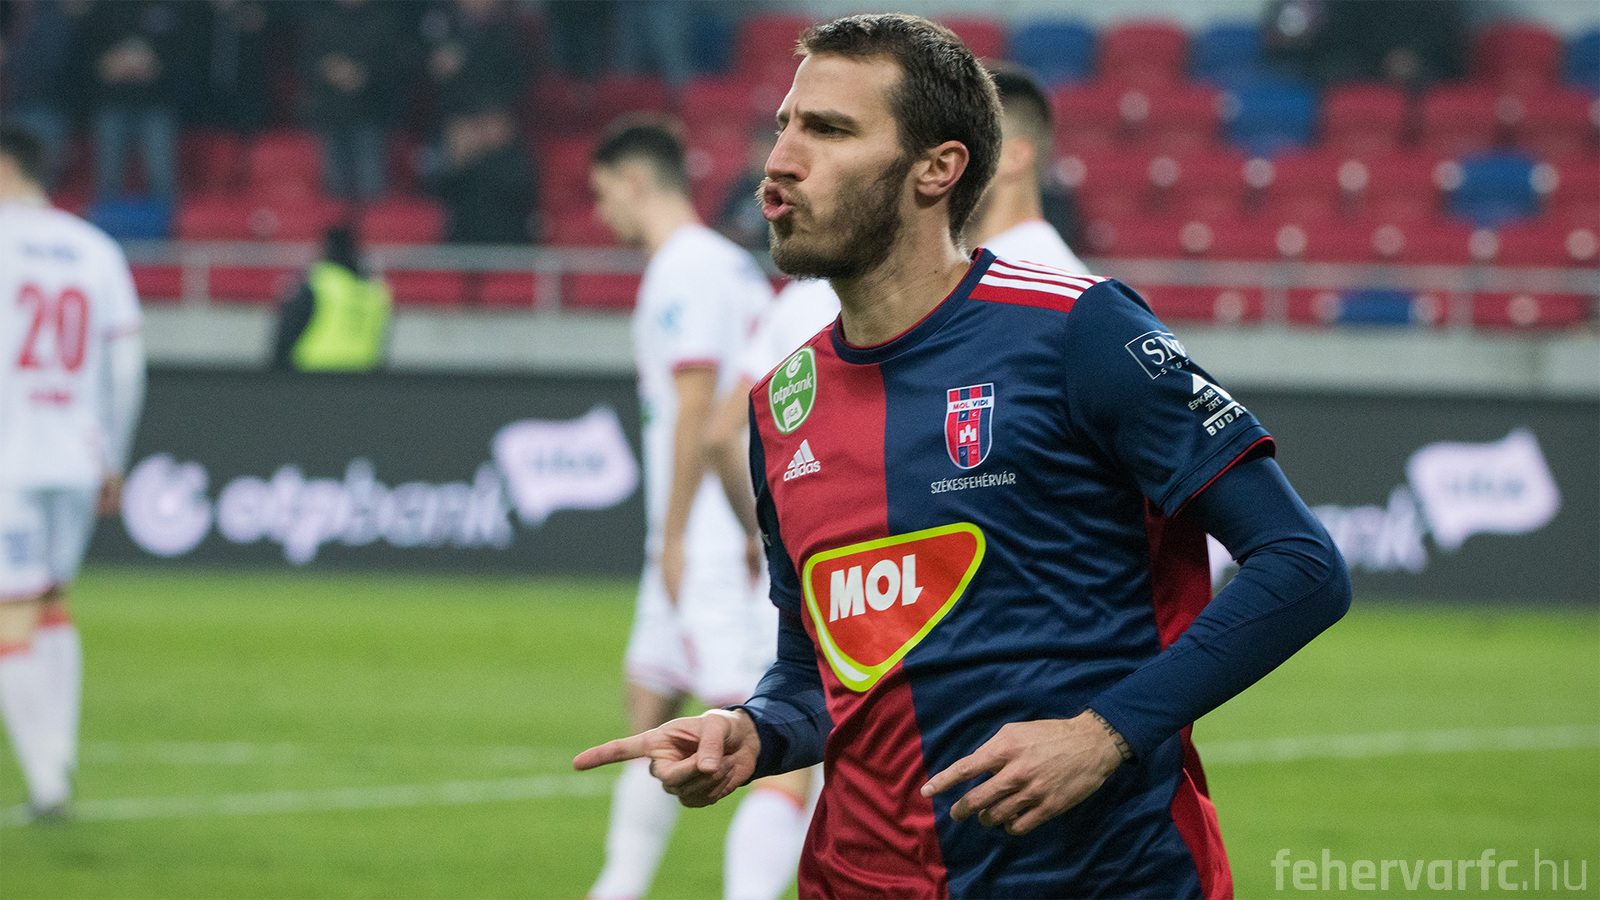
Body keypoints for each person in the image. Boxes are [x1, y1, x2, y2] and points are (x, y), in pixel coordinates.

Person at [575, 15, 1352, 899]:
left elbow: (1301, 564)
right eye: (784, 127)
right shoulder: (782, 405)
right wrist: (755, 730)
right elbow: (814, 672)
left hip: (1102, 878)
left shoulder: (1078, 331)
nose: (780, 161)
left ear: (937, 169)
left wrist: (1105, 733)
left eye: (828, 130)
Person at [584, 116, 812, 900]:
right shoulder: (722, 265)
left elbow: (698, 406)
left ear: (635, 181)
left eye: (603, 193)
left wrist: (677, 534)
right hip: (697, 532)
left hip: (712, 535)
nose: (601, 212)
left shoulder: (687, 267)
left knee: (761, 733)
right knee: (649, 704)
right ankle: (618, 886)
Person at [0, 126, 147, 821]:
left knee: (10, 614)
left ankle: (48, 784)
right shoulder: (96, 249)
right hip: (78, 451)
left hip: (9, 455)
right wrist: (114, 456)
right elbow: (126, 368)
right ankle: (56, 761)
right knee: (52, 601)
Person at [967, 64, 1091, 273]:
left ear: (1015, 157)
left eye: (965, 147)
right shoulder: (985, 266)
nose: (947, 164)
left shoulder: (1041, 277)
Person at [270, 225, 391, 372]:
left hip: (314, 373)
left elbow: (286, 335)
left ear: (326, 249)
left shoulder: (318, 284)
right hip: (363, 375)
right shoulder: (376, 292)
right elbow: (382, 340)